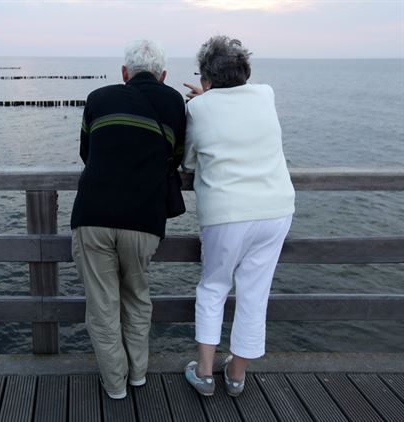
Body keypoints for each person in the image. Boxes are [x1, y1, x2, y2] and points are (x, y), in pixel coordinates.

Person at [71, 39, 186, 399]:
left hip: (93, 215)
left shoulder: (98, 97)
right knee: (137, 297)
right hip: (144, 221)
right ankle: (138, 375)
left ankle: (115, 385)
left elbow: (85, 152)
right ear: (164, 76)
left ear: (124, 73)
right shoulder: (174, 102)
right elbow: (178, 156)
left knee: (102, 306)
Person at [181, 36, 295, 397]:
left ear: (206, 78)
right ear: (245, 71)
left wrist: (204, 103)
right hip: (276, 209)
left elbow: (188, 161)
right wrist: (211, 99)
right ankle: (236, 374)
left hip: (227, 213)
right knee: (255, 292)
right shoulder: (266, 94)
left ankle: (203, 373)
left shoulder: (198, 109)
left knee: (214, 287)